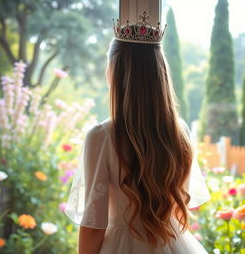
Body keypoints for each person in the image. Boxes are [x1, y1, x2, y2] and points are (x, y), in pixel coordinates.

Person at [64, 14, 211, 254]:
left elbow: (93, 225)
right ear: (160, 74)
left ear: (115, 72)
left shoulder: (101, 136)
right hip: (172, 244)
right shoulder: (179, 131)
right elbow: (178, 207)